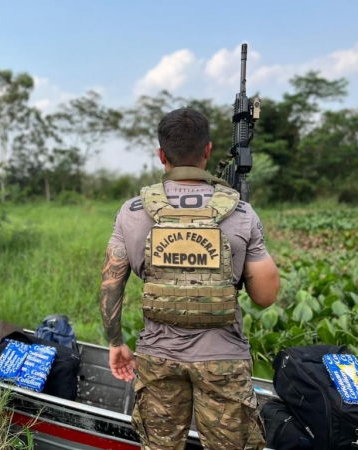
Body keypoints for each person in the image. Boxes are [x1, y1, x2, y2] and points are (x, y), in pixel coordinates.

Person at [99, 108, 280, 450]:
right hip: (224, 358)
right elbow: (266, 295)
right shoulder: (240, 211)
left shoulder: (132, 211)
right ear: (208, 151)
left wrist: (115, 342)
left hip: (158, 358)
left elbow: (110, 284)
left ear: (161, 154)